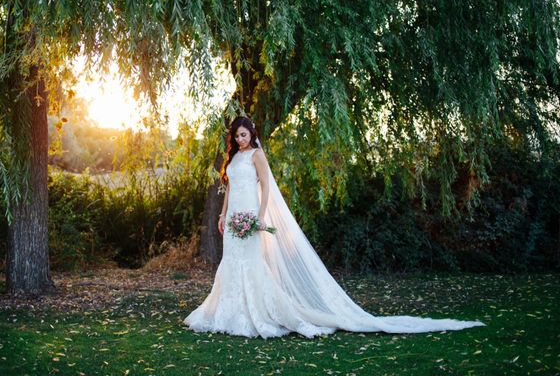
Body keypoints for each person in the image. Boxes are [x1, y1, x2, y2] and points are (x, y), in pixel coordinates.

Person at [183, 116, 485, 339]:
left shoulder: (257, 155)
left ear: (252, 134)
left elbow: (267, 188)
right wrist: (222, 216)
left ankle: (257, 313)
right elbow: (230, 189)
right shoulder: (233, 159)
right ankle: (227, 310)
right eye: (237, 136)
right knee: (231, 262)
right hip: (234, 215)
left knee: (251, 263)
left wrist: (261, 218)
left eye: (244, 134)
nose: (240, 139)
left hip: (251, 214)